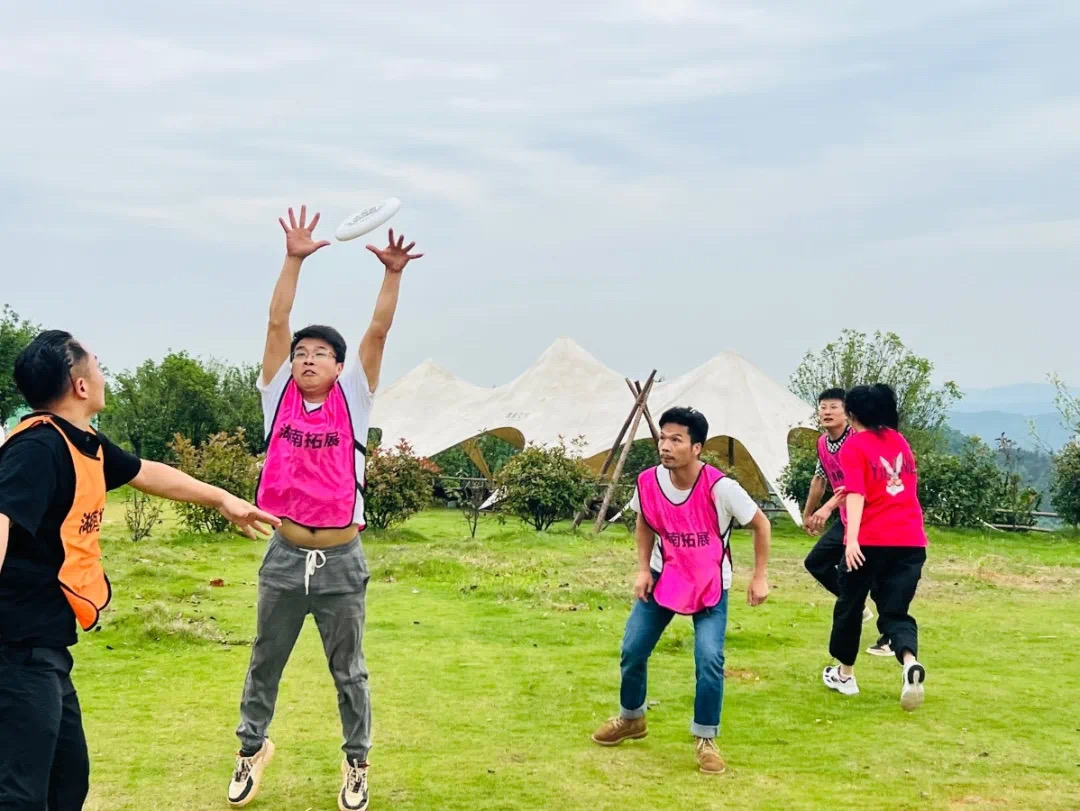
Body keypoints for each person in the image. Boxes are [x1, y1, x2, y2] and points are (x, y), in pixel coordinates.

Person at [0, 330, 279, 810]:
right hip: (15, 650)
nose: (101, 370)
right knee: (22, 794)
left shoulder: (82, 442)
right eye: (95, 362)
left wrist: (221, 499)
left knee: (67, 780)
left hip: (44, 645)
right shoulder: (36, 450)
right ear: (80, 385)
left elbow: (145, 472)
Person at [228, 206, 422, 811]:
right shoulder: (276, 397)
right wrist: (293, 259)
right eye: (301, 352)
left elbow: (378, 333)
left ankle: (357, 763)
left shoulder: (355, 400)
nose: (308, 358)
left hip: (341, 560)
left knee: (350, 673)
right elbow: (276, 320)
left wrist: (392, 274)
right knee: (265, 662)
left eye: (320, 353)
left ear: (340, 367)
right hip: (284, 555)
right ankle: (252, 748)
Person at [591, 407, 771, 775]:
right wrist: (644, 569)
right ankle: (631, 718)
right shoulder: (648, 481)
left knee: (709, 659)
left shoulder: (721, 488)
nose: (666, 446)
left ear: (697, 447)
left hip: (709, 583)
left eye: (676, 439)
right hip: (664, 576)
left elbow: (761, 524)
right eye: (663, 438)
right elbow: (645, 522)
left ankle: (706, 738)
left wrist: (759, 576)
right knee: (633, 648)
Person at [820, 384, 928, 711]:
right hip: (910, 541)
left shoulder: (854, 446)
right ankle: (909, 662)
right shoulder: (899, 441)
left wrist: (851, 539)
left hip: (870, 540)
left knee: (850, 605)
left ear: (852, 414)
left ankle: (845, 675)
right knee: (895, 611)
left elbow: (856, 493)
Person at [802, 388, 886, 648]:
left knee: (874, 576)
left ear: (847, 413)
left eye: (834, 407)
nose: (827, 412)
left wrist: (827, 508)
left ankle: (889, 636)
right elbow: (820, 479)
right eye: (823, 407)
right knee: (816, 562)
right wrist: (808, 513)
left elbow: (856, 483)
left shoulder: (858, 439)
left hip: (872, 516)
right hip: (847, 517)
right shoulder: (822, 443)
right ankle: (856, 605)